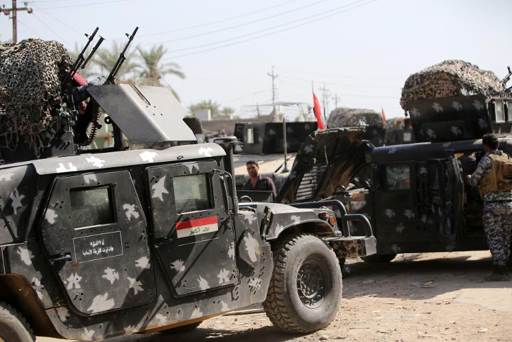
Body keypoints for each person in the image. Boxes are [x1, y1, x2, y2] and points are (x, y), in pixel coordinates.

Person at [468, 134, 512, 281]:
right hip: (509, 204)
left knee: (495, 237)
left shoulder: (487, 160)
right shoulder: (507, 158)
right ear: (497, 145)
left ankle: (500, 270)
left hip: (492, 205)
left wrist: (468, 177)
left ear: (486, 146)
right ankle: (505, 266)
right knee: (506, 236)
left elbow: (474, 181)